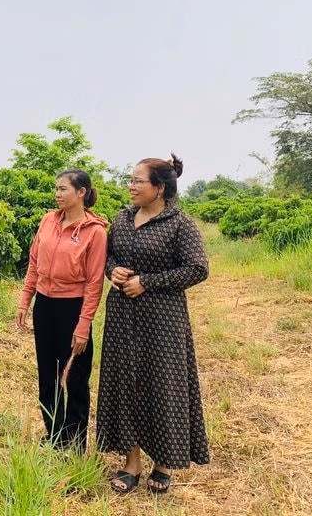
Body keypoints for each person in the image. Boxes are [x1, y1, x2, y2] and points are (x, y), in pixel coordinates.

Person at [96, 153, 209, 495]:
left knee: (162, 384)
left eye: (138, 181)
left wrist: (148, 282)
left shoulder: (180, 223)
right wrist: (112, 271)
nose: (131, 186)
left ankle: (163, 463)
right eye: (130, 180)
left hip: (162, 319)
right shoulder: (122, 218)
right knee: (126, 383)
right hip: (122, 315)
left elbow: (198, 269)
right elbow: (109, 256)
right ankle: (131, 463)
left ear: (159, 188)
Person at [15, 168, 108, 448]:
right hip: (45, 306)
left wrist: (83, 325)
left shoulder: (95, 232)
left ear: (81, 192)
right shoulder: (48, 221)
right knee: (48, 375)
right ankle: (55, 437)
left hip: (73, 308)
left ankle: (75, 443)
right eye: (56, 189)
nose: (57, 194)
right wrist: (25, 300)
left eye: (63, 189)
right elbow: (34, 263)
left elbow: (94, 283)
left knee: (75, 377)